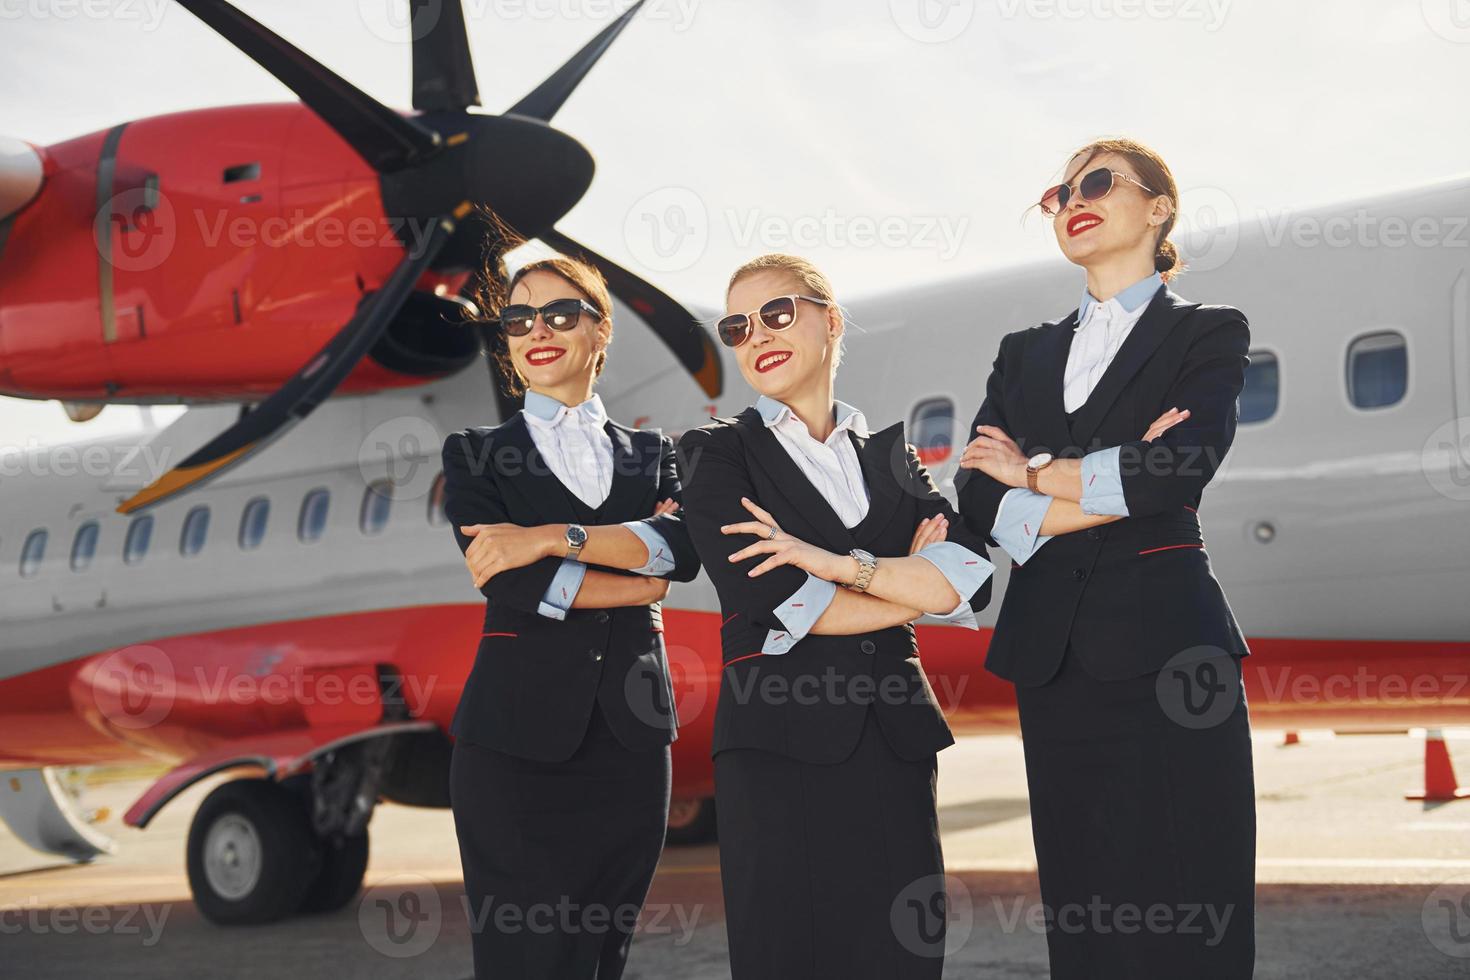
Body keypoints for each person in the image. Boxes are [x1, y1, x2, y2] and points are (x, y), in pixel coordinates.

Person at [956, 137, 1256, 978]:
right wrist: (1102, 480)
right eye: (1058, 192)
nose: (1070, 200)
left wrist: (1035, 473)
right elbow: (978, 499)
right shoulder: (1024, 353)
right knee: (1085, 912)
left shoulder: (1208, 331)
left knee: (1195, 896)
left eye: (1096, 183)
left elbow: (1178, 468)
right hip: (1053, 656)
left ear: (1160, 207)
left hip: (1171, 648)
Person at [676, 253, 995, 979]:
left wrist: (836, 566)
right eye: (737, 325)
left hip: (895, 741)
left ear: (831, 320)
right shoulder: (714, 454)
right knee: (791, 956)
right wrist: (905, 583)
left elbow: (967, 584)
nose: (757, 335)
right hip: (779, 744)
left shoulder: (896, 460)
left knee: (902, 957)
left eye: (778, 313)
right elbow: (779, 600)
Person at [439, 249, 700, 979]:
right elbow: (512, 585)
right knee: (525, 956)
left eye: (560, 312)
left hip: (631, 740)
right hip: (512, 747)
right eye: (518, 318)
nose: (536, 329)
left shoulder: (654, 454)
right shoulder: (476, 454)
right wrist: (635, 575)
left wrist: (553, 539)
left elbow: (680, 553)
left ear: (600, 330)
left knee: (600, 954)